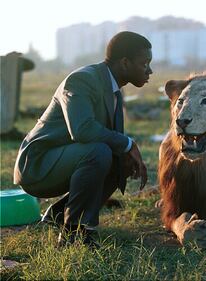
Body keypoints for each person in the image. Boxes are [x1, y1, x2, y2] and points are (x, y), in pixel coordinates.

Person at [13, 31, 153, 248]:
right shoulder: (82, 79)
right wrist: (128, 143)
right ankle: (74, 232)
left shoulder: (114, 89)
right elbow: (83, 130)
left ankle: (60, 214)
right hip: (37, 165)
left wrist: (125, 151)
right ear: (125, 63)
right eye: (145, 64)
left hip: (66, 158)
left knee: (118, 157)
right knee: (100, 151)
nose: (150, 71)